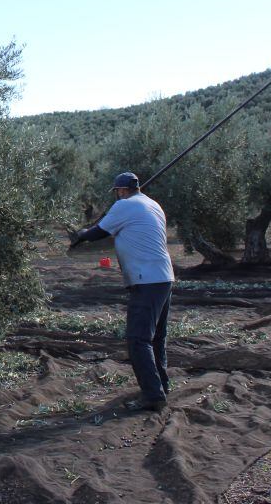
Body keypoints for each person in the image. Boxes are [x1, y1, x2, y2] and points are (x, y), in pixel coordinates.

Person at [70, 172, 175, 411]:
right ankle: (161, 387)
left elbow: (99, 232)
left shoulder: (124, 205)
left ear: (121, 190)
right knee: (156, 337)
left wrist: (80, 235)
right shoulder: (152, 204)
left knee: (138, 340)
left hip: (146, 280)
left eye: (117, 191)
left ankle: (153, 397)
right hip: (164, 277)